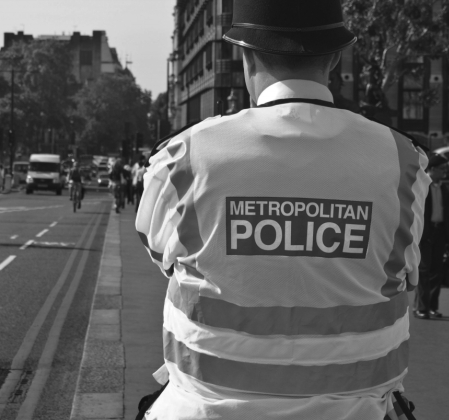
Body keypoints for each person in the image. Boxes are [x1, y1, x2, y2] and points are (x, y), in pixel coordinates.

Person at [135, 0, 429, 419]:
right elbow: (408, 274)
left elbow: (160, 251)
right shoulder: (406, 163)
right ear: (333, 58)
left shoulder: (183, 157)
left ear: (246, 56)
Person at [415, 163, 448, 319]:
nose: (444, 171)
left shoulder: (444, 188)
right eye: (442, 168)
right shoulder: (422, 184)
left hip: (440, 232)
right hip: (425, 233)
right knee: (423, 271)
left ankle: (432, 307)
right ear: (433, 168)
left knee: (436, 271)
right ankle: (421, 307)